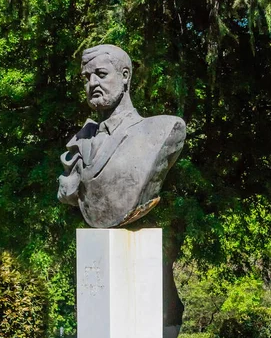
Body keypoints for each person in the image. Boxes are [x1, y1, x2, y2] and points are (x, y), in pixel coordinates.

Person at [57, 44, 186, 228]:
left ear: (125, 76)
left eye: (101, 74)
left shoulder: (160, 131)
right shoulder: (81, 141)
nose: (92, 83)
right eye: (86, 77)